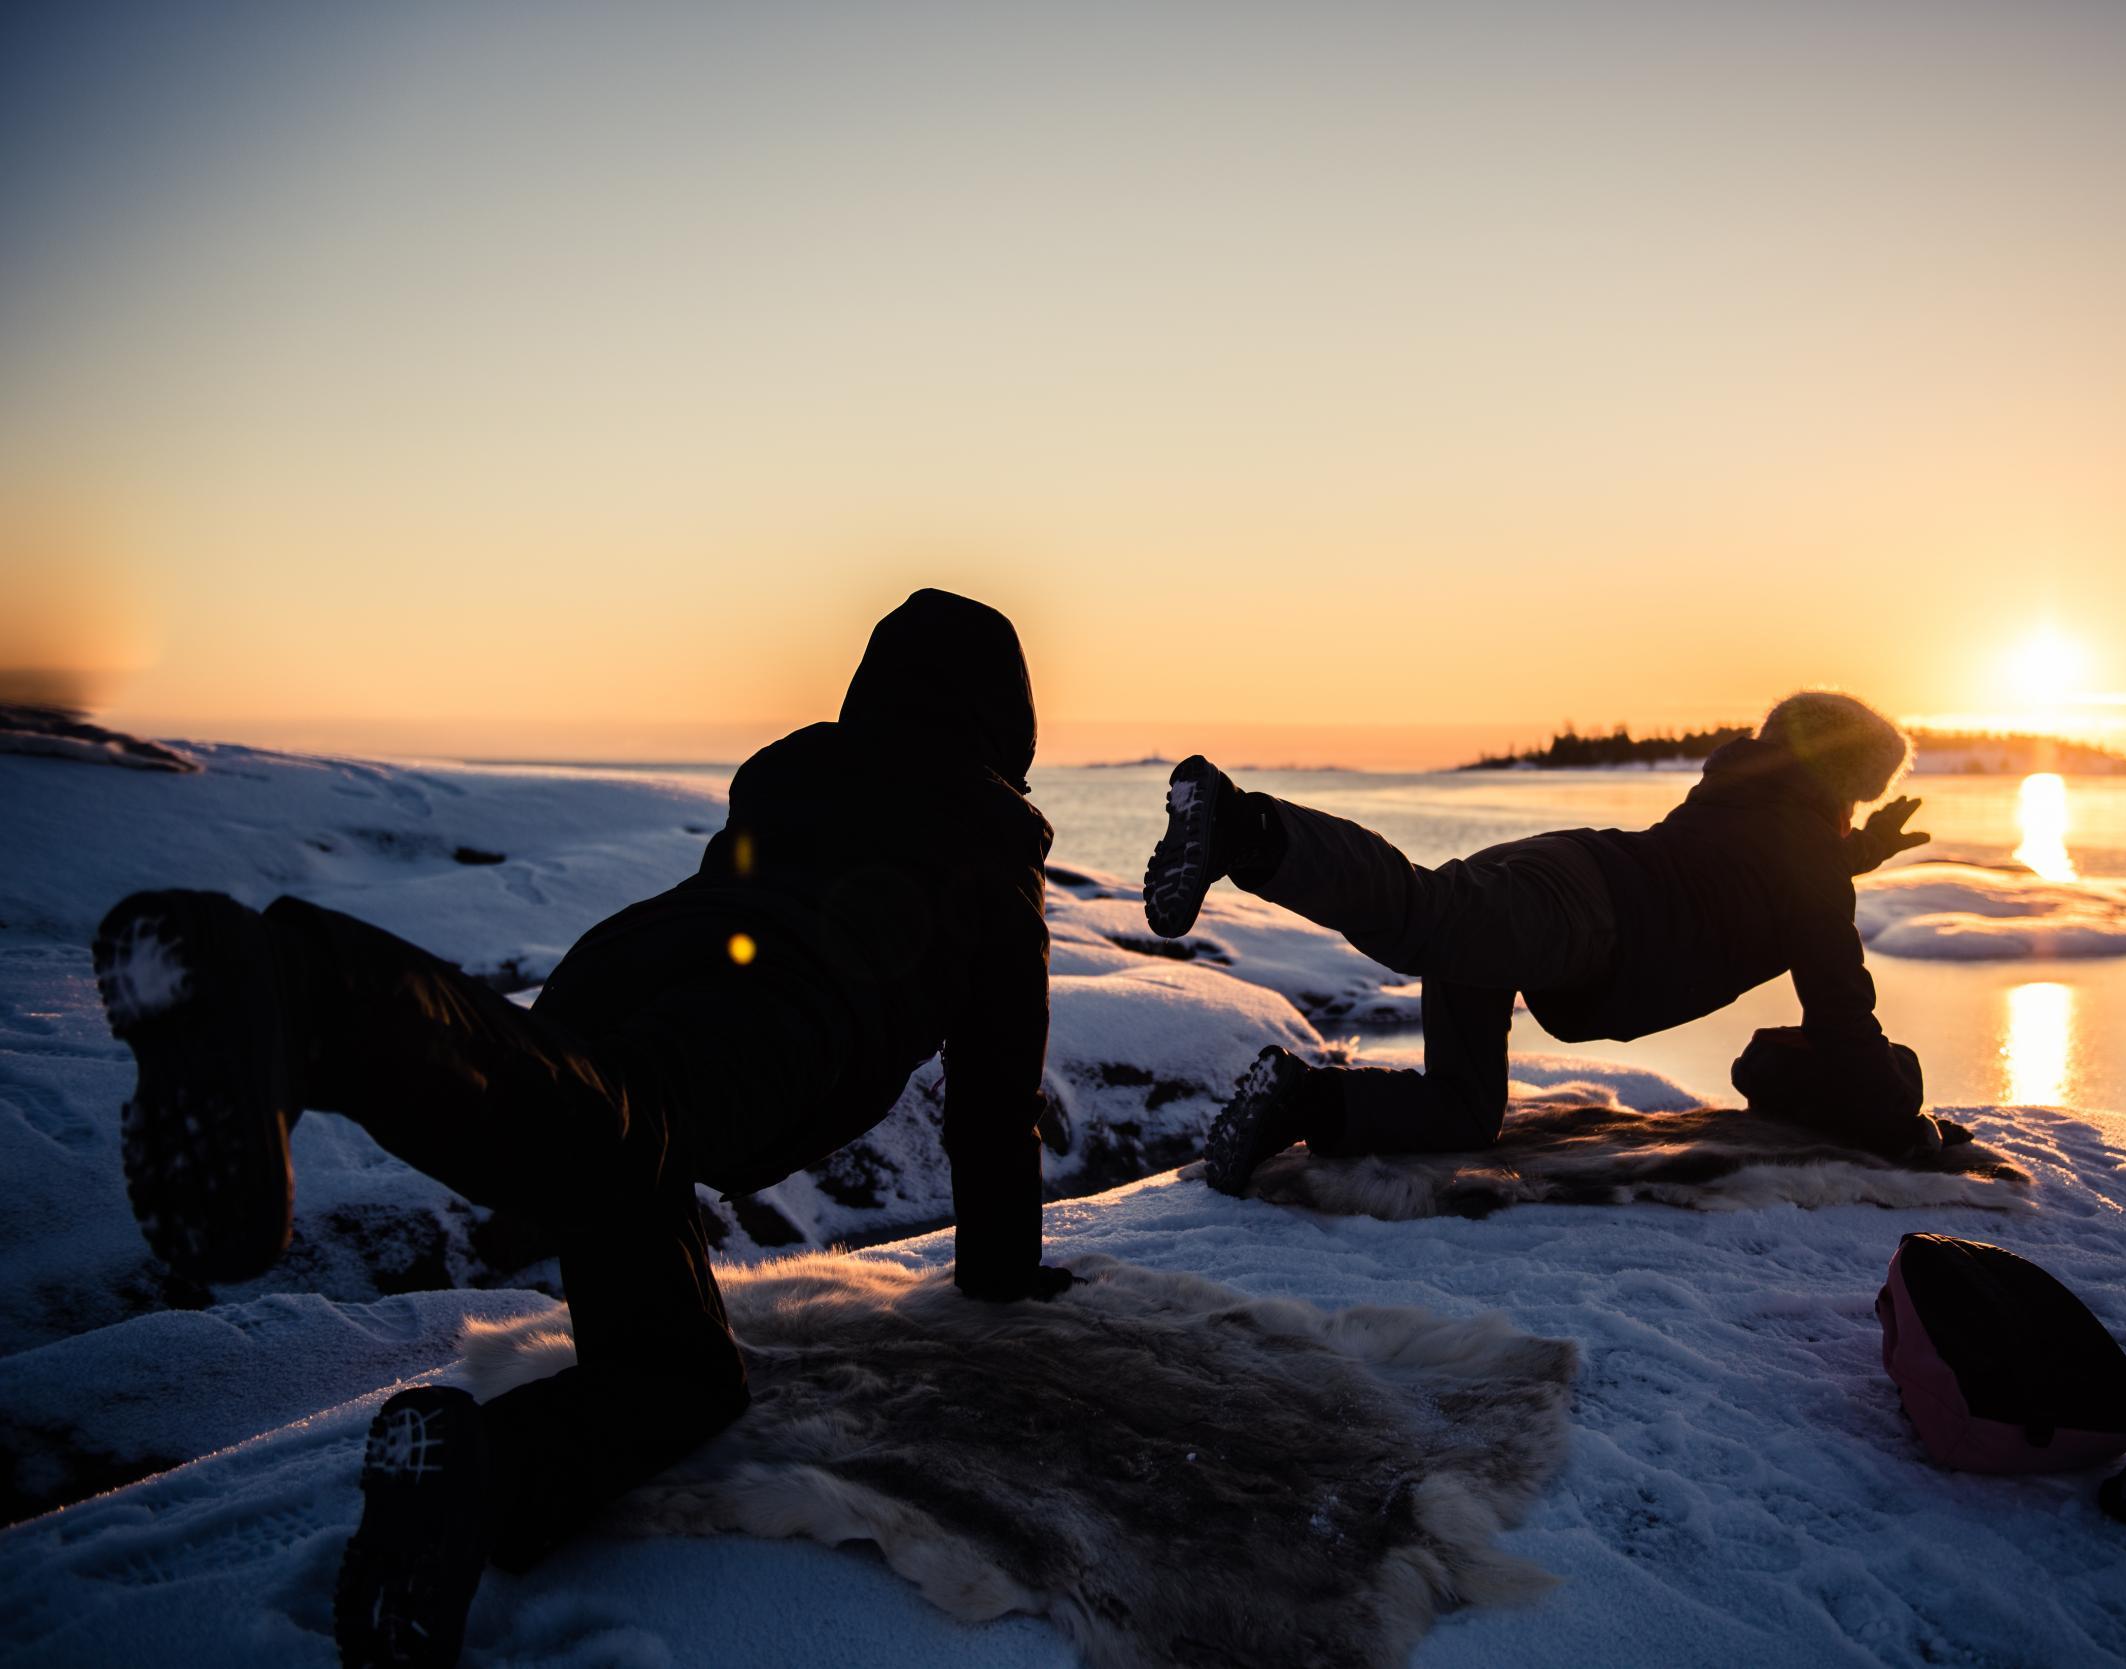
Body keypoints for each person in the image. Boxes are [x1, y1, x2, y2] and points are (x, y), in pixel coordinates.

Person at [89, 589, 1069, 1668]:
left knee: (679, 1371)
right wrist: (1000, 1273)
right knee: (628, 1122)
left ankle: (478, 1475)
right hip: (781, 1012)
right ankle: (304, 988)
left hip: (619, 970)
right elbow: (994, 1089)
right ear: (1004, 715)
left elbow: (731, 906)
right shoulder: (991, 832)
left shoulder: (795, 773)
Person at [1142, 691, 1939, 1192]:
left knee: (1465, 1110)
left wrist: (1857, 851)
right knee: (1423, 917)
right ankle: (1246, 825)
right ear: (1840, 791)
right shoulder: (1803, 863)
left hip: (1562, 875)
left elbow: (1771, 865)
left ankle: (1301, 1099)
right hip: (1582, 914)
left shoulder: (1753, 807)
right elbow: (1843, 1020)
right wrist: (1906, 1127)